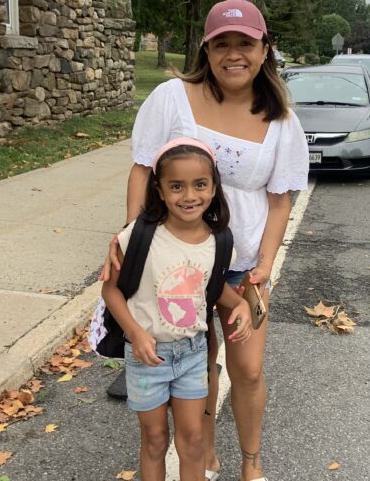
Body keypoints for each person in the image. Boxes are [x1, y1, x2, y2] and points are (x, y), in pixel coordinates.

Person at [102, 0, 309, 481]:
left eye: (245, 44)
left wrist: (265, 265)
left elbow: (281, 201)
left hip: (243, 265)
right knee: (201, 362)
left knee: (249, 369)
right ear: (207, 49)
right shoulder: (172, 97)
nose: (233, 54)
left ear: (264, 50)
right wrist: (134, 241)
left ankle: (251, 462)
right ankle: (205, 451)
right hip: (176, 262)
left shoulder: (282, 121)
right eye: (222, 44)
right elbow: (142, 168)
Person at [101, 137, 253, 481]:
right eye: (176, 186)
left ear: (214, 187)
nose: (189, 196)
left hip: (193, 354)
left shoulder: (221, 243)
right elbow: (111, 291)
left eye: (200, 184)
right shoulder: (137, 237)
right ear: (160, 189)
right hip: (146, 355)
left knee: (194, 438)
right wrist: (135, 333)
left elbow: (212, 292)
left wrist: (241, 304)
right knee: (154, 439)